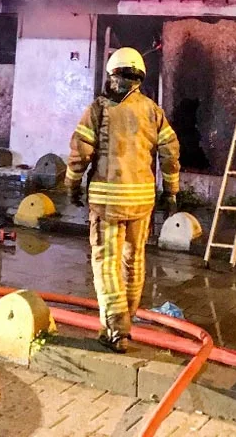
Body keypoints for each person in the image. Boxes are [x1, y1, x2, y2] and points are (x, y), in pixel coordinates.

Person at [65, 47, 180, 353]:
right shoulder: (154, 112)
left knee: (107, 263)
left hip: (107, 201)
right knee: (135, 260)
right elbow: (170, 152)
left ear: (112, 75)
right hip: (142, 201)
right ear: (140, 78)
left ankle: (116, 329)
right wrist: (171, 191)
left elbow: (80, 153)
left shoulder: (99, 108)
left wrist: (72, 185)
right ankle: (126, 322)